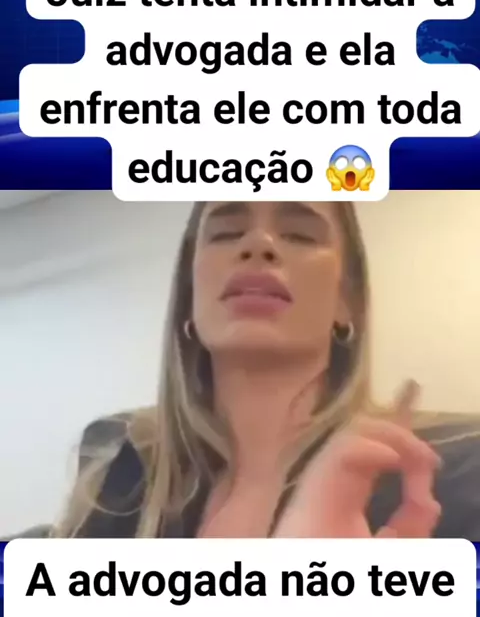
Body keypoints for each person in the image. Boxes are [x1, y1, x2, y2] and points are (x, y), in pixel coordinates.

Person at [15, 201, 480, 539]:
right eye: (226, 232)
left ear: (348, 302)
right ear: (188, 299)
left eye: (300, 235)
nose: (259, 244)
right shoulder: (124, 470)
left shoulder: (451, 475)